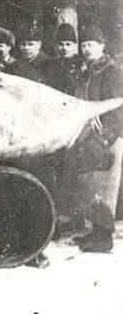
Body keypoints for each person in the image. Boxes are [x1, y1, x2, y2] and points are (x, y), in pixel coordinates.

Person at [62, 25, 123, 252]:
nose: (87, 49)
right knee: (88, 185)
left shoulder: (112, 71)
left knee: (103, 185)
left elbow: (119, 105)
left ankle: (103, 237)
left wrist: (105, 136)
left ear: (102, 46)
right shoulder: (84, 70)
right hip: (87, 135)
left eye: (91, 44)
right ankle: (94, 232)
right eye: (84, 44)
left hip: (107, 136)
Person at [44, 23, 84, 95]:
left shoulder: (81, 64)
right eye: (61, 44)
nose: (64, 48)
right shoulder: (50, 65)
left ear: (74, 46)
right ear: (56, 46)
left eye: (68, 44)